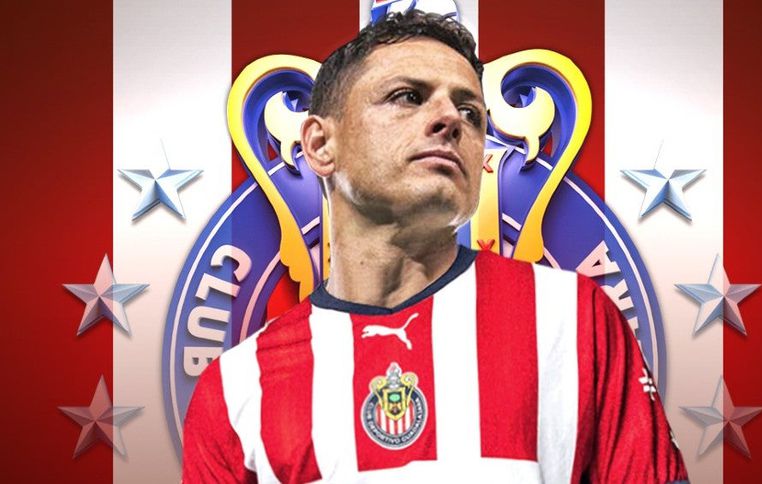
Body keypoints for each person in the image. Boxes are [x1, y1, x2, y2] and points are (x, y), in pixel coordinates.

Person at [182, 10, 689, 483]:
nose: (450, 119)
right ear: (319, 144)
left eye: (470, 112)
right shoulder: (236, 387)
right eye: (408, 96)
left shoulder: (573, 318)